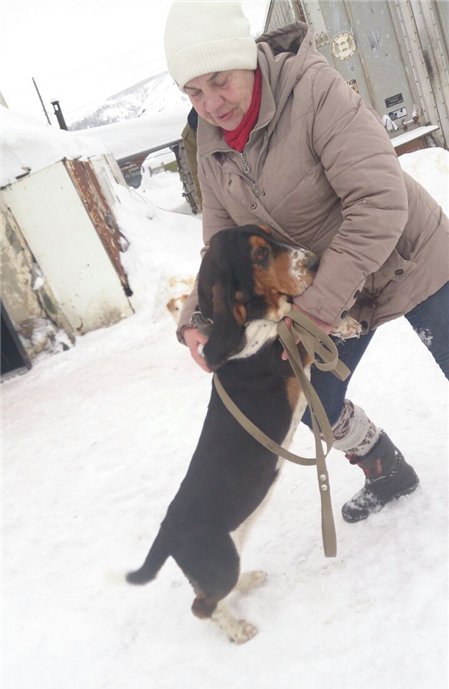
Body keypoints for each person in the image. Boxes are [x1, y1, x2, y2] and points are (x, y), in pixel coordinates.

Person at [163, 1, 449, 523]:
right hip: (338, 287)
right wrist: (197, 317)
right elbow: (222, 247)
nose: (211, 103)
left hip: (411, 258)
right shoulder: (210, 145)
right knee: (310, 399)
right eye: (194, 92)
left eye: (219, 82)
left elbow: (379, 203)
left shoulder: (313, 91)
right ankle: (385, 467)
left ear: (245, 59)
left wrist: (314, 310)